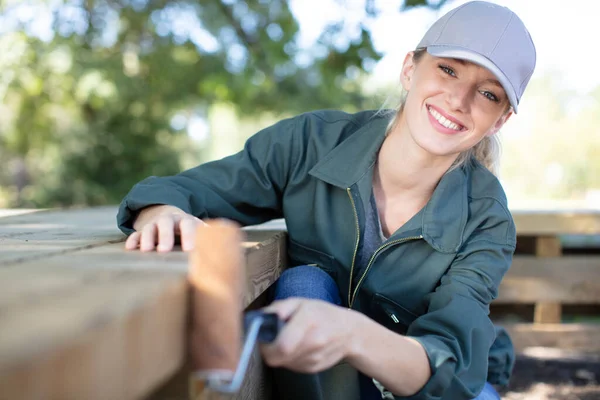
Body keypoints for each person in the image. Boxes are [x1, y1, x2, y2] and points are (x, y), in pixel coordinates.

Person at [116, 1, 536, 399]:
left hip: (421, 386)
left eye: (488, 94)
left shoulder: (487, 218)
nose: (459, 101)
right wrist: (161, 212)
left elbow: (452, 367)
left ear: (500, 119)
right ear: (410, 68)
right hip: (325, 382)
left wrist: (350, 334)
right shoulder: (311, 144)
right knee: (305, 284)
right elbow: (184, 189)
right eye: (448, 70)